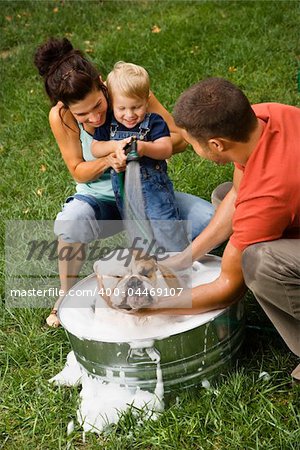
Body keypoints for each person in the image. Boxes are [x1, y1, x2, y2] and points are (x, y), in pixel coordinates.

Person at [33, 37, 214, 327]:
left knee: (208, 221)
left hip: (146, 196)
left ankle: (182, 286)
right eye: (83, 115)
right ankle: (66, 294)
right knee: (71, 221)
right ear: (65, 107)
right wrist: (108, 159)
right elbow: (78, 170)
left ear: (102, 84)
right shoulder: (61, 117)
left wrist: (142, 144)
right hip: (101, 200)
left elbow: (180, 138)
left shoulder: (128, 96)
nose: (94, 117)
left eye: (98, 105)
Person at [148, 77, 300, 382]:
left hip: (279, 195)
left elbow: (229, 287)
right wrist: (183, 259)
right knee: (224, 194)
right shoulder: (264, 117)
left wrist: (150, 307)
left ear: (216, 144)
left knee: (260, 261)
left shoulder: (268, 193)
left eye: (192, 143)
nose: (191, 148)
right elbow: (236, 196)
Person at [92, 61, 190, 251]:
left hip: (156, 193)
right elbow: (96, 148)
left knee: (166, 227)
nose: (129, 114)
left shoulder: (154, 122)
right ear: (112, 103)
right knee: (137, 232)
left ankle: (177, 264)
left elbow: (166, 148)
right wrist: (114, 146)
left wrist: (144, 148)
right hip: (125, 193)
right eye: (122, 108)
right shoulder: (108, 125)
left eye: (136, 107)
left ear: (147, 101)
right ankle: (150, 269)